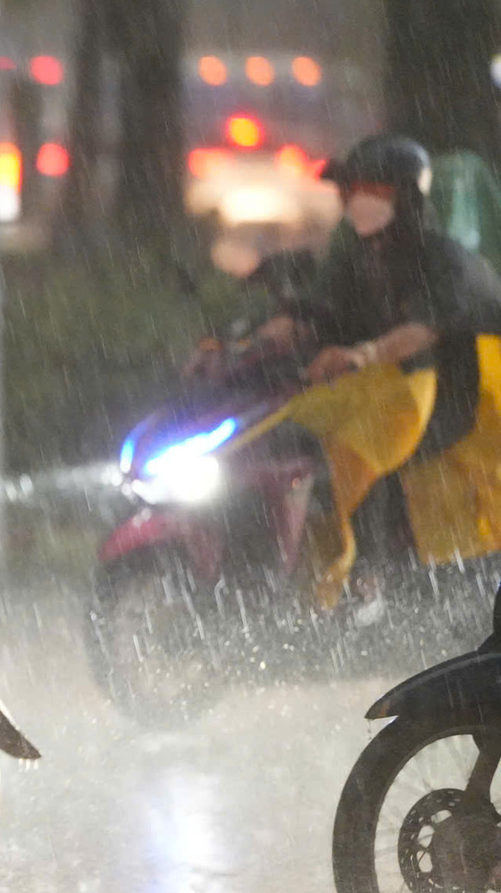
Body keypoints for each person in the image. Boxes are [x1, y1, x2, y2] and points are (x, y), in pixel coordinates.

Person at [191, 134, 501, 601]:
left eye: (373, 191)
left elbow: (423, 330)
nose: (358, 201)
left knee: (357, 451)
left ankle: (367, 584)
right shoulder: (356, 259)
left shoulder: (440, 259)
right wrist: (240, 344)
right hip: (385, 391)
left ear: (406, 196)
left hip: (456, 403)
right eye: (353, 190)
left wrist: (363, 355)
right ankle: (288, 581)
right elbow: (311, 312)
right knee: (285, 438)